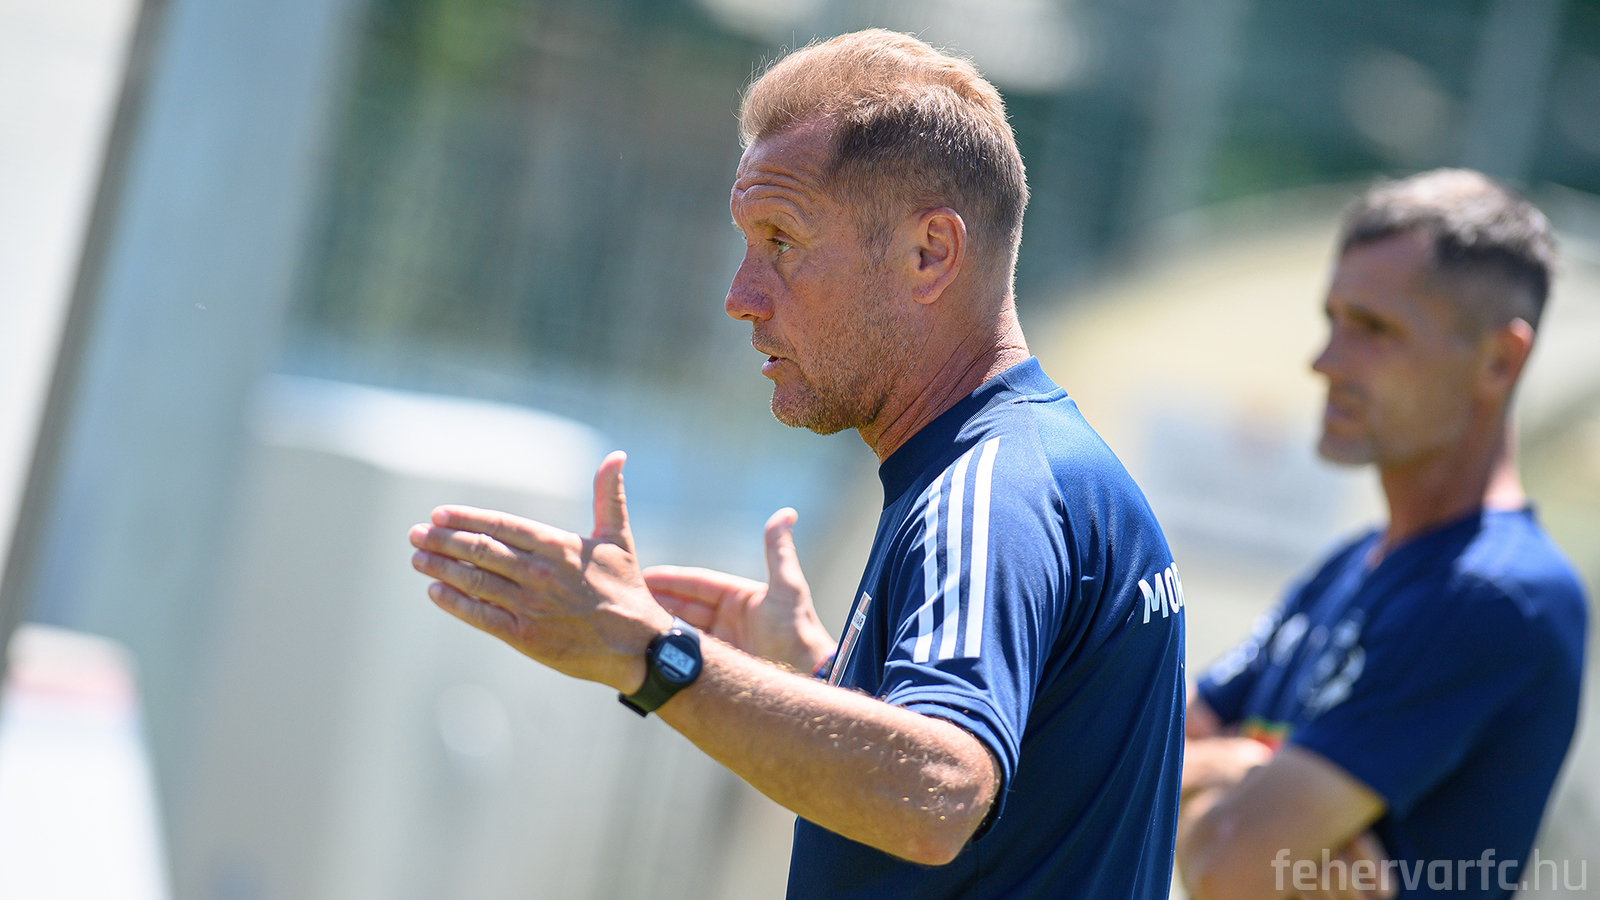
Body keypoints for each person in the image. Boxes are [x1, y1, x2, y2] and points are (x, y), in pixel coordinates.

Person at [408, 29, 1186, 900]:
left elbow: (939, 793)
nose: (739, 297)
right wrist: (820, 678)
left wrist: (648, 652)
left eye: (781, 240)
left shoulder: (989, 490)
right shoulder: (1029, 466)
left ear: (931, 253)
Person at [1177, 169, 1588, 900]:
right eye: (1333, 319)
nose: (1325, 360)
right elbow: (1153, 745)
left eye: (1373, 329)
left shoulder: (1494, 593)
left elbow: (1227, 866)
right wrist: (1236, 775)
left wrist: (1228, 784)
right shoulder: (1351, 564)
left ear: (1500, 360)